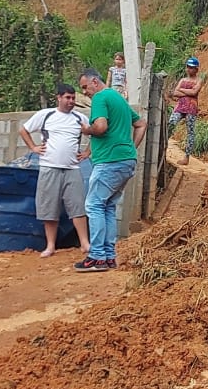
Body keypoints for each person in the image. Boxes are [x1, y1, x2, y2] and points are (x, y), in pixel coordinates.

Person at [76, 70, 145, 272]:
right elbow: (141, 124)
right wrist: (131, 148)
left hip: (109, 162)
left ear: (95, 82)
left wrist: (85, 130)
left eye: (85, 87)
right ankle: (108, 256)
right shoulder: (118, 99)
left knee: (94, 205)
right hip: (125, 161)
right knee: (107, 207)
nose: (85, 92)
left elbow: (100, 126)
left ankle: (97, 256)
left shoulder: (100, 97)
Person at [19, 84, 91, 258]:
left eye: (73, 98)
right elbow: (23, 130)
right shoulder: (46, 115)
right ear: (58, 98)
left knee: (78, 207)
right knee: (49, 208)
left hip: (73, 168)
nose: (71, 101)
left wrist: (87, 153)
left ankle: (85, 243)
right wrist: (33, 148)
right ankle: (50, 246)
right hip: (49, 167)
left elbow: (94, 135)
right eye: (67, 98)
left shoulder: (79, 118)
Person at [169, 56, 204, 166]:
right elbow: (175, 93)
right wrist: (189, 91)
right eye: (188, 67)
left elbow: (194, 93)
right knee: (171, 124)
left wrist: (182, 91)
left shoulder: (199, 80)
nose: (189, 69)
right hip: (180, 106)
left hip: (191, 108)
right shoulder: (183, 80)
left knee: (190, 132)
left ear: (196, 69)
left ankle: (186, 157)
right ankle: (163, 147)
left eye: (191, 67)